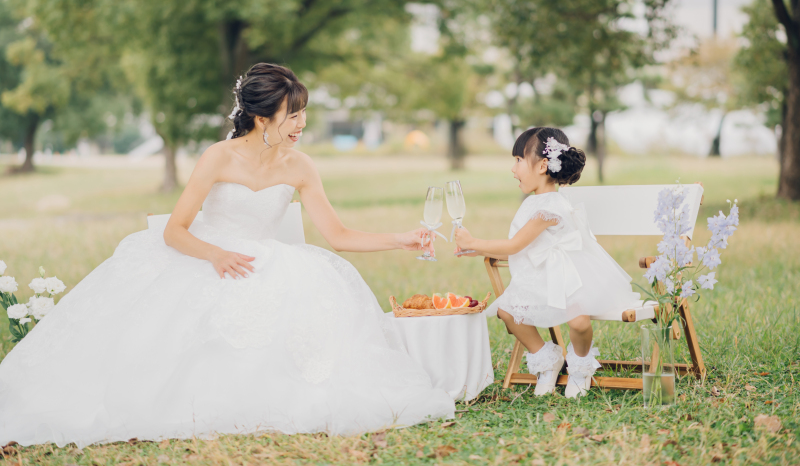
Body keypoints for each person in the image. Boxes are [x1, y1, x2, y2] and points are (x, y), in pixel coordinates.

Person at [0, 63, 454, 448]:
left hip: (267, 264)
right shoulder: (218, 157)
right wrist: (215, 255)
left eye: (302, 115)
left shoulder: (300, 165)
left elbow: (337, 235)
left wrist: (401, 238)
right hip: (203, 257)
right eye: (292, 115)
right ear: (260, 117)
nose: (300, 125)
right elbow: (175, 231)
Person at [454, 127, 640, 398]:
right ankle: (546, 357)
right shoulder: (536, 202)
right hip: (541, 276)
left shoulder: (549, 206)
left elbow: (515, 244)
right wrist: (481, 250)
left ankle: (580, 365)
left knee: (578, 321)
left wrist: (473, 241)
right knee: (507, 312)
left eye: (518, 160)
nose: (513, 168)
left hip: (565, 277)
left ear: (542, 165)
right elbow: (527, 248)